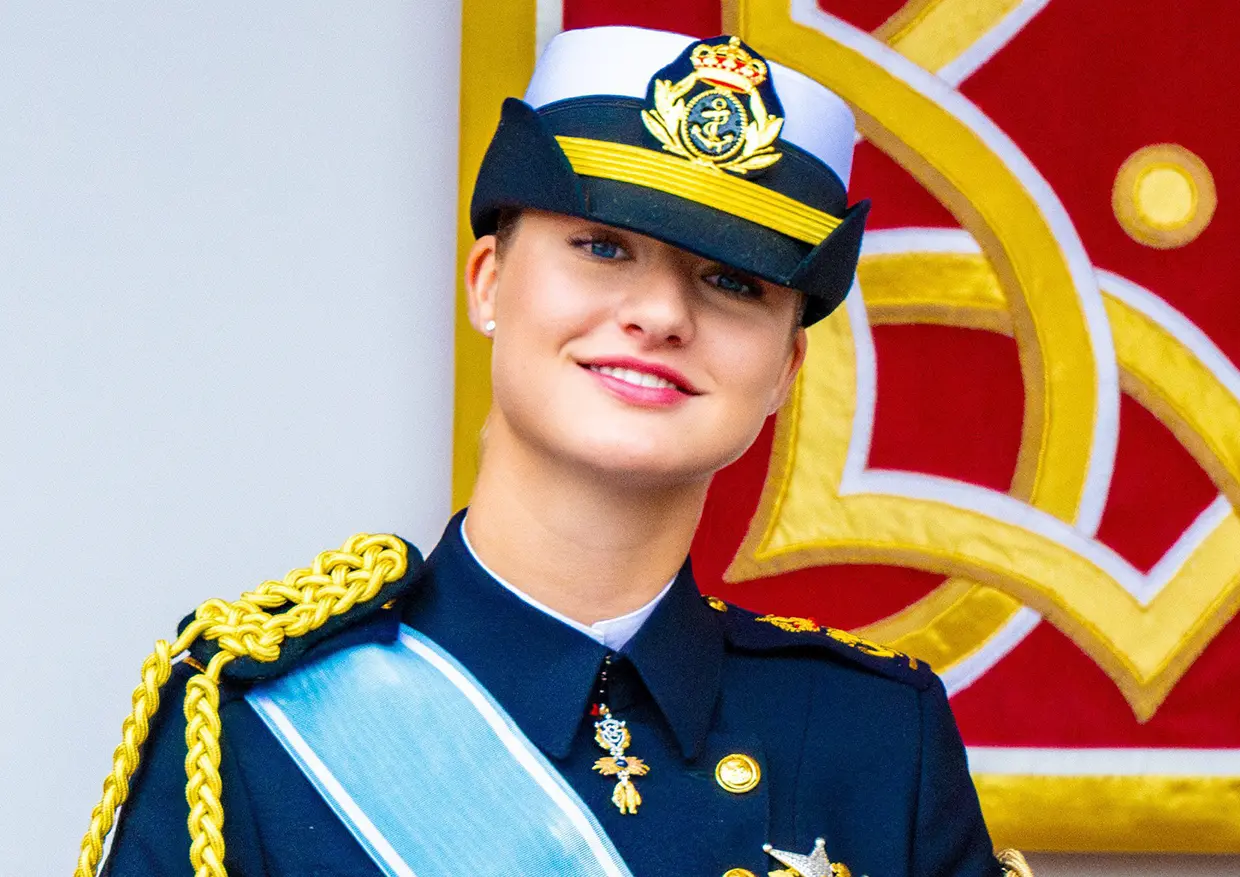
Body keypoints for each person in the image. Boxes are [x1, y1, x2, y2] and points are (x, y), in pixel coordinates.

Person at [79, 25, 1027, 877]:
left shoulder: (874, 739)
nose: (660, 315)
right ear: (489, 282)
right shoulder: (254, 720)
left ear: (785, 367)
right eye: (602, 247)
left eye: (730, 281)